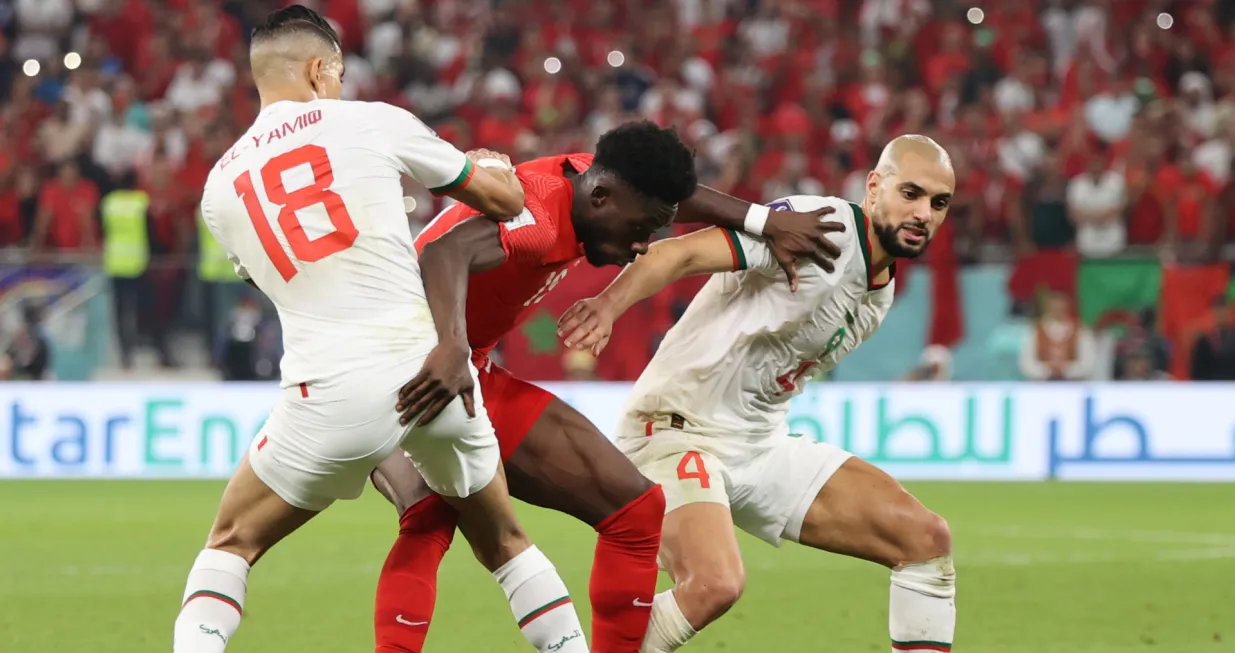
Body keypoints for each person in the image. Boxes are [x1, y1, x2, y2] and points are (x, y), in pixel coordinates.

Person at [176, 6, 588, 653]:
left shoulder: (218, 187)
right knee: (504, 540)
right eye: (337, 72)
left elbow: (271, 278)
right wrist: (490, 167)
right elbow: (507, 205)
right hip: (433, 372)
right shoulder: (372, 121)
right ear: (319, 69)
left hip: (330, 392)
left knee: (232, 540)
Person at [372, 123, 849, 653]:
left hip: (462, 364)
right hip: (403, 363)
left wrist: (766, 221)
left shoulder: (595, 180)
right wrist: (451, 348)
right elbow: (443, 251)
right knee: (429, 515)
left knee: (636, 509)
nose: (644, 245)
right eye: (641, 228)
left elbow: (676, 197)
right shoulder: (539, 216)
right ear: (601, 198)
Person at [556, 135, 959, 653]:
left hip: (760, 444)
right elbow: (679, 253)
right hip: (676, 429)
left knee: (925, 539)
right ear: (874, 187)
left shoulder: (881, 291)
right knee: (714, 584)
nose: (924, 213)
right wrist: (608, 305)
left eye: (939, 203)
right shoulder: (821, 226)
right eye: (911, 193)